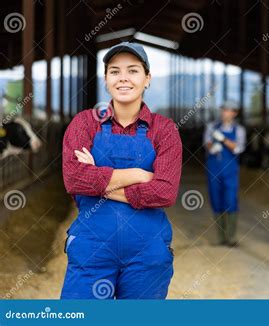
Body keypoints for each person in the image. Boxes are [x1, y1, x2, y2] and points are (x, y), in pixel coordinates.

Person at [61, 42, 182, 299]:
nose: (123, 78)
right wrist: (139, 175)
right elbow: (73, 179)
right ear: (106, 79)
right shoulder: (84, 122)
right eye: (115, 71)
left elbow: (165, 193)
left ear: (147, 78)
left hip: (147, 252)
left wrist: (98, 181)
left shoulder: (165, 129)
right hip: (91, 247)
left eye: (133, 70)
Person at [203, 100, 246, 246]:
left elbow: (238, 148)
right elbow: (207, 142)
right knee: (216, 199)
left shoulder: (239, 130)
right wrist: (212, 147)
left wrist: (223, 139)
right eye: (223, 110)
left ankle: (231, 237)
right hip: (213, 168)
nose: (224, 113)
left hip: (230, 170)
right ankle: (221, 236)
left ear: (234, 113)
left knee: (231, 200)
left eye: (227, 110)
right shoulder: (211, 127)